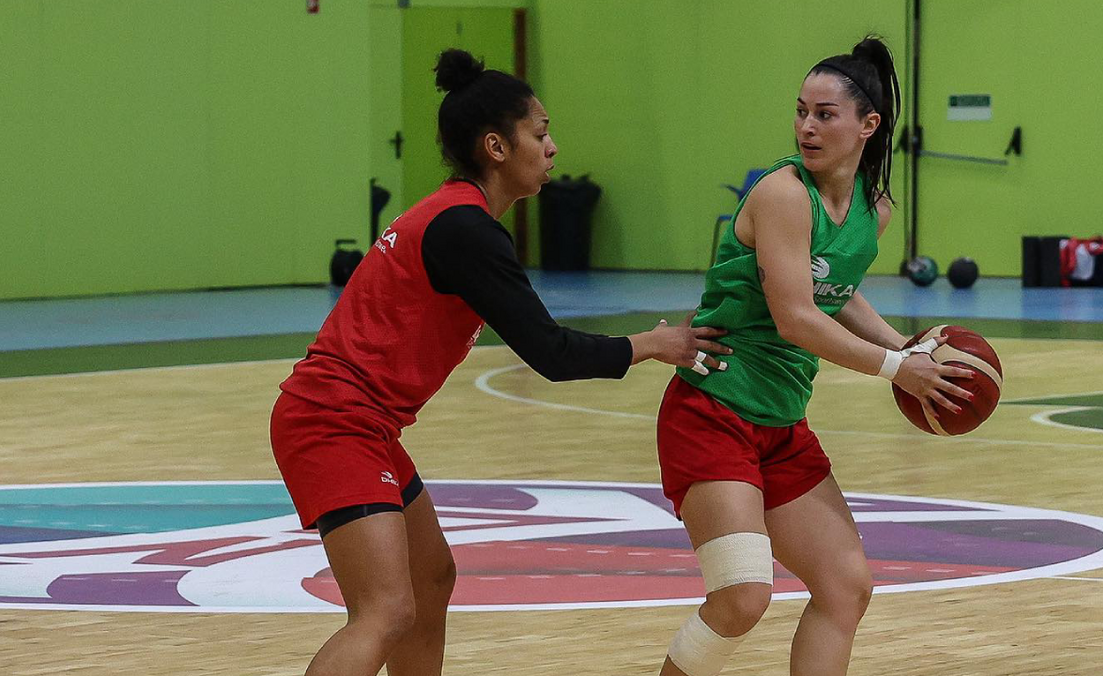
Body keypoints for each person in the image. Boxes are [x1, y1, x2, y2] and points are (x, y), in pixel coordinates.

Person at [269, 49, 730, 676]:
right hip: (333, 420)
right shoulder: (466, 230)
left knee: (431, 579)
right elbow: (551, 354)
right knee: (384, 612)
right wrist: (655, 344)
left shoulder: (458, 217)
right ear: (496, 146)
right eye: (540, 134)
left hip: (363, 425)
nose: (553, 148)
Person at [654, 37, 975, 676]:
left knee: (845, 586)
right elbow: (797, 317)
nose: (806, 125)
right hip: (713, 410)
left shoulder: (873, 211)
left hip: (781, 422)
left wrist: (902, 344)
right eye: (801, 111)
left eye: (824, 114)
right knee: (743, 596)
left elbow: (836, 288)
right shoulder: (782, 194)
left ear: (868, 125)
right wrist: (895, 369)